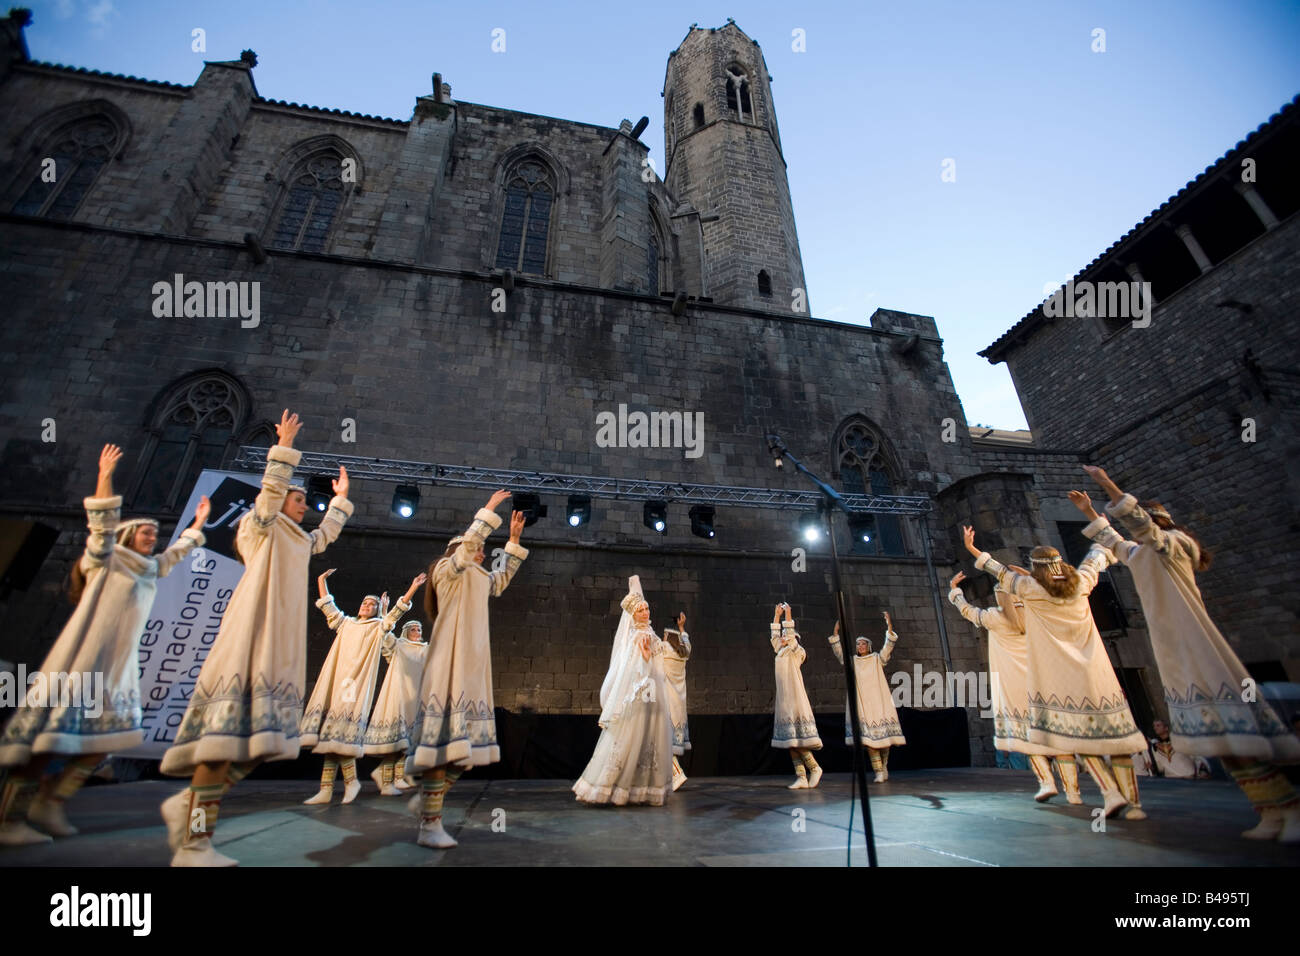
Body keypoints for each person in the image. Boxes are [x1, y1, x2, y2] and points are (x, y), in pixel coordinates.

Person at [159, 410, 353, 866]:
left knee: (261, 743)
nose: (304, 505)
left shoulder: (297, 538)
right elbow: (268, 495)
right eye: (298, 498)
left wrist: (341, 502)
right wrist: (283, 450)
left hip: (278, 645)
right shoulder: (261, 527)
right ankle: (194, 843)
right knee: (221, 742)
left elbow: (323, 536)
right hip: (249, 637)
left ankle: (188, 806)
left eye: (306, 500)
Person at [1074, 468, 1300, 841]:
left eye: (1144, 524)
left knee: (1238, 735)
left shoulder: (1174, 545)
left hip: (1197, 643)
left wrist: (1107, 486)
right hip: (1173, 649)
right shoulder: (1144, 554)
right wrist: (1087, 511)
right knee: (1221, 740)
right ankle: (1269, 811)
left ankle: (1290, 806)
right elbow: (1116, 544)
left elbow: (1142, 527)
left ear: (1158, 522)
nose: (1136, 531)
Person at [0, 444, 208, 845]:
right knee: (49, 742)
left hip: (117, 665)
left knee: (105, 743)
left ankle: (51, 801)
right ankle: (9, 819)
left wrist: (198, 524)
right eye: (146, 531)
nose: (153, 536)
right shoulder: (106, 558)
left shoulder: (149, 567)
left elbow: (178, 553)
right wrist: (105, 473)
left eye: (154, 533)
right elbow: (101, 522)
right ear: (128, 535)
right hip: (83, 661)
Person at [964, 525, 1147, 820]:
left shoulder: (1030, 590)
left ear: (1035, 570)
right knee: (1118, 739)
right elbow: (1098, 555)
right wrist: (1102, 524)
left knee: (1076, 738)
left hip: (1062, 675)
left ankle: (1110, 793)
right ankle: (1135, 806)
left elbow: (997, 570)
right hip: (1096, 670)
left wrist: (972, 548)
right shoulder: (1082, 583)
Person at [406, 490, 527, 849]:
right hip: (449, 663)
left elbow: (500, 579)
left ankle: (427, 799)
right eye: (477, 548)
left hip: (474, 665)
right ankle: (429, 824)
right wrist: (488, 511)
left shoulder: (478, 576)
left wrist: (514, 542)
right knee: (444, 747)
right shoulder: (447, 571)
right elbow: (469, 545)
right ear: (461, 548)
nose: (482, 552)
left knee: (467, 753)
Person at [947, 572, 1081, 803]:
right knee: (1057, 739)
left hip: (1016, 685)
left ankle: (1047, 782)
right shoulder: (1037, 614)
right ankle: (1073, 791)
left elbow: (966, 610)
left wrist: (954, 591)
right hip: (1043, 682)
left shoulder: (995, 617)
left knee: (1028, 739)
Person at [300, 570, 424, 805]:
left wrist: (413, 587)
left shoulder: (378, 627)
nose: (367, 605)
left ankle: (351, 782)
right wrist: (321, 581)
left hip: (354, 686)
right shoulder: (346, 623)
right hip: (338, 681)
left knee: (342, 734)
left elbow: (396, 613)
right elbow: (328, 606)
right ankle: (328, 788)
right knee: (331, 736)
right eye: (365, 602)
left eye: (372, 604)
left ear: (377, 610)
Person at [573, 576, 674, 806]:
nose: (646, 613)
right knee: (632, 738)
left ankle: (642, 789)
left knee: (648, 739)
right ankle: (616, 787)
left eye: (647, 608)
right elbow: (638, 667)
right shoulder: (637, 635)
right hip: (641, 695)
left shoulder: (648, 632)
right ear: (632, 615)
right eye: (640, 611)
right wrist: (648, 656)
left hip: (653, 695)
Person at [827, 611, 906, 783]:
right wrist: (835, 634)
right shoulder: (853, 661)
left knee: (884, 740)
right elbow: (839, 653)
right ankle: (878, 771)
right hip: (863, 704)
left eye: (863, 644)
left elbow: (888, 647)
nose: (861, 646)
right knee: (869, 741)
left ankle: (884, 766)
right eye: (858, 644)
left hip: (879, 701)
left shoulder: (877, 658)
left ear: (868, 646)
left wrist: (889, 626)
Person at [364, 620, 428, 795]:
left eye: (419, 629)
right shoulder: (399, 645)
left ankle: (398, 777)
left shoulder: (425, 648)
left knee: (407, 739)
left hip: (415, 696)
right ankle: (385, 781)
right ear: (406, 631)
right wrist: (385, 616)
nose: (416, 631)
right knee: (396, 737)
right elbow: (386, 636)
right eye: (413, 629)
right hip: (399, 693)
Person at [770, 603, 822, 789]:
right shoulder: (781, 651)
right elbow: (775, 638)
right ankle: (801, 776)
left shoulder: (797, 652)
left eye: (787, 636)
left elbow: (789, 636)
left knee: (797, 739)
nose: (783, 637)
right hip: (784, 700)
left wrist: (788, 614)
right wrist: (776, 616)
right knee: (789, 742)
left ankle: (814, 768)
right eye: (783, 636)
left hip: (795, 699)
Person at [662, 611, 692, 791]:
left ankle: (676, 774)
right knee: (671, 743)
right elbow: (686, 644)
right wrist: (681, 627)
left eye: (665, 636)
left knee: (664, 741)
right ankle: (672, 776)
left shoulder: (665, 652)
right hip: (678, 705)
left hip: (668, 703)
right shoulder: (683, 654)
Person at [1133, 720, 1211, 778]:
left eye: (1158, 725)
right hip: (1172, 779)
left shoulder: (1179, 740)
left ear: (1166, 728)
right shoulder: (1155, 748)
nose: (1155, 728)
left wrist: (1202, 770)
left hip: (1188, 775)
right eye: (1154, 726)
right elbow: (1160, 767)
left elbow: (1195, 756)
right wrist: (1152, 767)